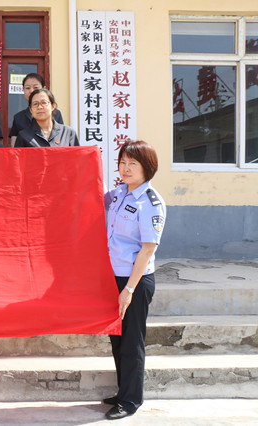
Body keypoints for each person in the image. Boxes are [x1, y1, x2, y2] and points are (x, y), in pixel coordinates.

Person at [102, 140, 166, 420]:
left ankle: (130, 401)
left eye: (133, 164)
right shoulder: (119, 193)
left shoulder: (151, 202)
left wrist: (129, 289)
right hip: (113, 276)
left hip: (134, 281)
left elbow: (148, 248)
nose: (125, 169)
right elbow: (92, 198)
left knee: (131, 341)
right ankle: (123, 391)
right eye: (122, 163)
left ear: (147, 167)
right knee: (117, 339)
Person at [9, 73, 64, 146]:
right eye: (27, 88)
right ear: (23, 90)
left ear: (44, 89)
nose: (31, 91)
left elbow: (62, 138)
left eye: (36, 87)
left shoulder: (55, 113)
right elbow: (15, 145)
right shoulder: (18, 118)